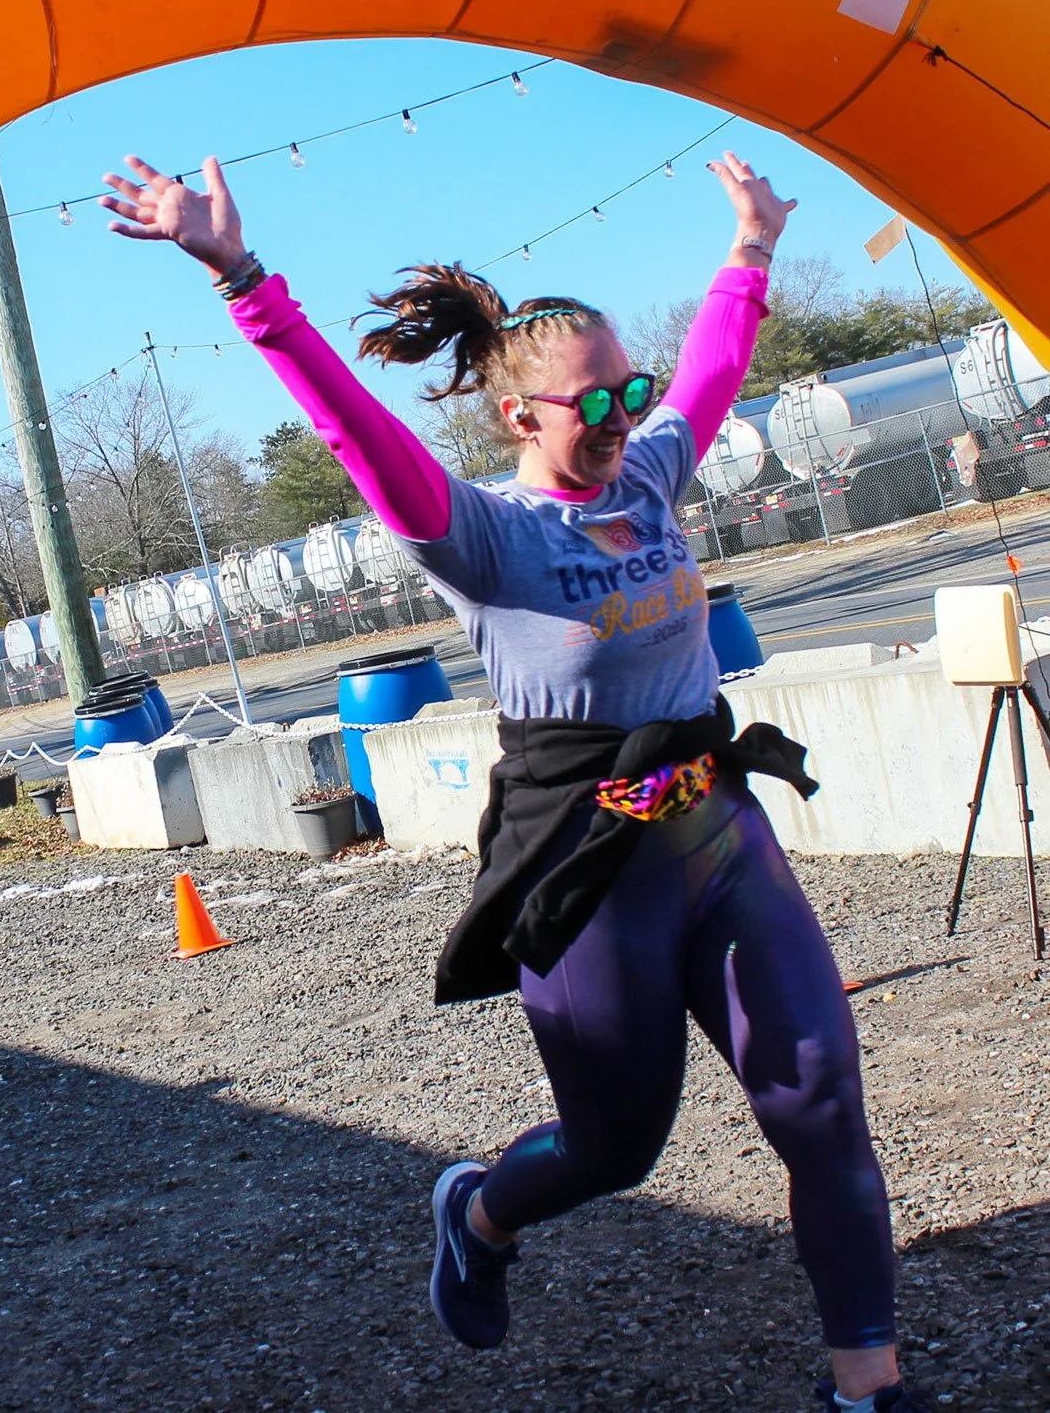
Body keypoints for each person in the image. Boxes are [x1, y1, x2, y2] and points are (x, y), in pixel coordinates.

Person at [100, 150, 923, 1413]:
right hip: (587, 868)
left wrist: (750, 248)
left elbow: (707, 371)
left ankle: (867, 1382)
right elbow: (352, 430)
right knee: (615, 1147)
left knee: (817, 1096)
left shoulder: (650, 474)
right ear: (516, 418)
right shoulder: (482, 537)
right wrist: (241, 277)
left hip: (715, 826)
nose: (616, 416)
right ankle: (479, 1213)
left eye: (623, 390)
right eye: (584, 402)